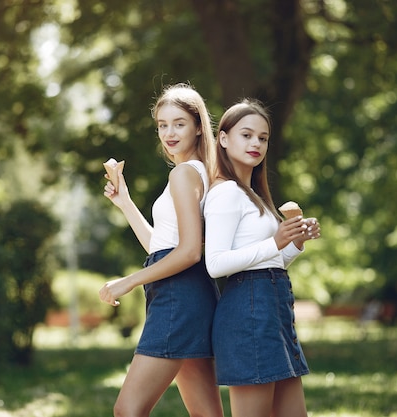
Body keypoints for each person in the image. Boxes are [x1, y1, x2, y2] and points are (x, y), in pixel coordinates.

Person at [99, 83, 223, 417]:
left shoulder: (184, 174)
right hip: (190, 296)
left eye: (179, 123)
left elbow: (188, 253)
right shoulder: (199, 172)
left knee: (128, 410)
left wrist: (129, 281)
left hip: (178, 298)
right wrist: (124, 202)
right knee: (206, 414)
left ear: (198, 126)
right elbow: (162, 247)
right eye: (162, 125)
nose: (168, 133)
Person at [204, 99, 321, 417]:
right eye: (246, 135)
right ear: (224, 139)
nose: (256, 143)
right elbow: (214, 263)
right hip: (247, 313)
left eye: (263, 137)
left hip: (274, 308)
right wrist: (274, 242)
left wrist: (294, 243)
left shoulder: (254, 194)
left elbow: (273, 261)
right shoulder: (225, 192)